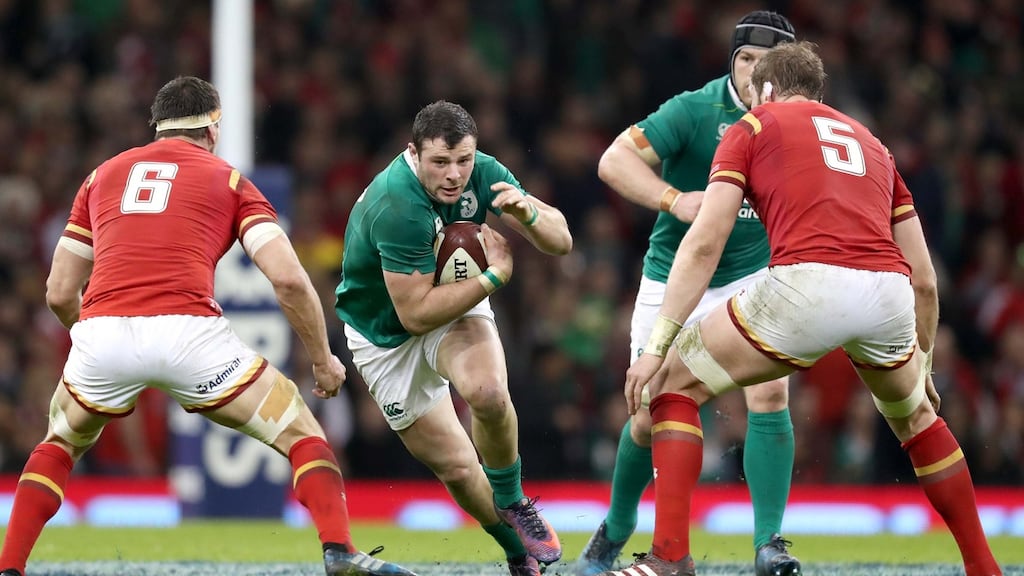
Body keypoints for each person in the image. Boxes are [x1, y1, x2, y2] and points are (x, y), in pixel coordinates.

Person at [602, 41, 1003, 576]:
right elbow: (925, 279)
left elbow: (704, 242)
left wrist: (657, 345)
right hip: (889, 293)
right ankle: (983, 567)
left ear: (766, 90)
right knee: (918, 419)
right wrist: (923, 365)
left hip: (808, 283)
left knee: (672, 383)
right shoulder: (873, 144)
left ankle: (669, 557)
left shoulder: (753, 125)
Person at [0, 76, 416, 576]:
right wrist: (322, 361)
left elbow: (58, 291)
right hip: (190, 335)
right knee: (301, 432)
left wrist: (95, 340)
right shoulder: (230, 181)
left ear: (157, 126)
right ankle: (339, 551)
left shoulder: (100, 177)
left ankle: (9, 568)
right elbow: (288, 279)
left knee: (59, 446)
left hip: (103, 331)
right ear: (213, 128)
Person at [577, 11, 800, 576]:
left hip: (751, 278)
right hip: (674, 276)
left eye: (767, 63)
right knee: (646, 415)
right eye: (745, 59)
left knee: (771, 394)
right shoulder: (695, 110)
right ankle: (618, 524)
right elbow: (613, 161)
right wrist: (674, 199)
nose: (754, 72)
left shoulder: (797, 121)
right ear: (732, 61)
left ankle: (769, 544)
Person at [334, 100, 573, 576]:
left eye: (463, 160)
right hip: (385, 337)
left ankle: (513, 500)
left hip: (453, 297)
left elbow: (562, 241)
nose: (454, 175)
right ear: (414, 153)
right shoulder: (397, 204)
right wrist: (493, 278)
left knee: (488, 392)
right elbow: (415, 315)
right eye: (440, 162)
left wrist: (528, 215)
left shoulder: (483, 171)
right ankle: (516, 551)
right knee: (459, 470)